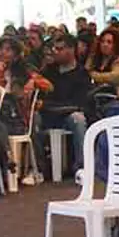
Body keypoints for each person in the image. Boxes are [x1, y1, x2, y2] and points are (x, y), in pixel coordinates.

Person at [36, 35, 93, 181]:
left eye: (59, 49)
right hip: (47, 116)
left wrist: (47, 105)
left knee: (78, 118)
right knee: (32, 117)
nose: (55, 51)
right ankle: (38, 167)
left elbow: (79, 105)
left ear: (71, 50)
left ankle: (81, 168)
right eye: (54, 48)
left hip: (67, 116)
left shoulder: (82, 74)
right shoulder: (48, 71)